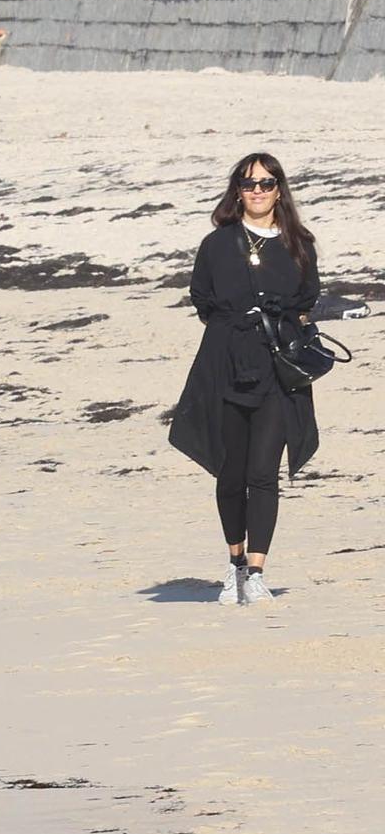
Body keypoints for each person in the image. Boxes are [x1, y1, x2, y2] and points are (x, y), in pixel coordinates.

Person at [167, 153, 321, 606]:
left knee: (263, 474)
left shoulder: (298, 243)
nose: (258, 190)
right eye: (249, 183)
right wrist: (237, 329)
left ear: (280, 190)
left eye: (268, 183)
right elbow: (203, 299)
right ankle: (234, 565)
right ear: (237, 189)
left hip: (278, 371)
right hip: (227, 367)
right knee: (230, 474)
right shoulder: (217, 244)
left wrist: (279, 324)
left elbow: (308, 297)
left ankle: (257, 571)